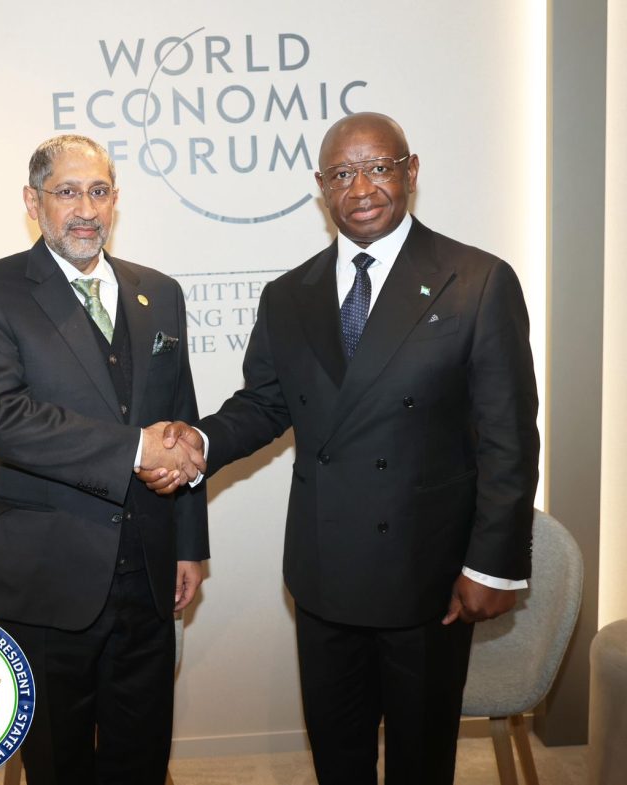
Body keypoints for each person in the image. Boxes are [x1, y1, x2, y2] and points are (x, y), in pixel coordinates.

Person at [139, 113, 539, 785]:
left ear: (410, 171)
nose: (362, 187)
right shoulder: (288, 294)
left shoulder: (475, 280)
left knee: (421, 760)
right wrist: (199, 439)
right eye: (342, 173)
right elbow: (265, 403)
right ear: (321, 187)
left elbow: (510, 437)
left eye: (378, 167)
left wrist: (492, 566)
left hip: (428, 574)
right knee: (339, 756)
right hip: (323, 572)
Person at [0, 134, 208, 785]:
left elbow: (182, 424)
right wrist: (135, 449)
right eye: (67, 191)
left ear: (115, 200)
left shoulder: (161, 292)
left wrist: (189, 544)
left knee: (142, 758)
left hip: (148, 578)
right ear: (33, 201)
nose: (84, 208)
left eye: (98, 192)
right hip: (45, 582)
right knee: (59, 766)